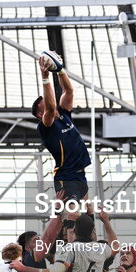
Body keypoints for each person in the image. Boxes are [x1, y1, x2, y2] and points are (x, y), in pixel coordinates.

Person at [31, 54, 91, 202]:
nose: (50, 100)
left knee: (87, 218)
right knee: (71, 215)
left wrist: (60, 70)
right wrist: (45, 78)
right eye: (46, 101)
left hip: (80, 174)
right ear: (40, 114)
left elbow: (68, 91)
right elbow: (50, 109)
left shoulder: (64, 114)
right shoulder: (45, 126)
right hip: (66, 176)